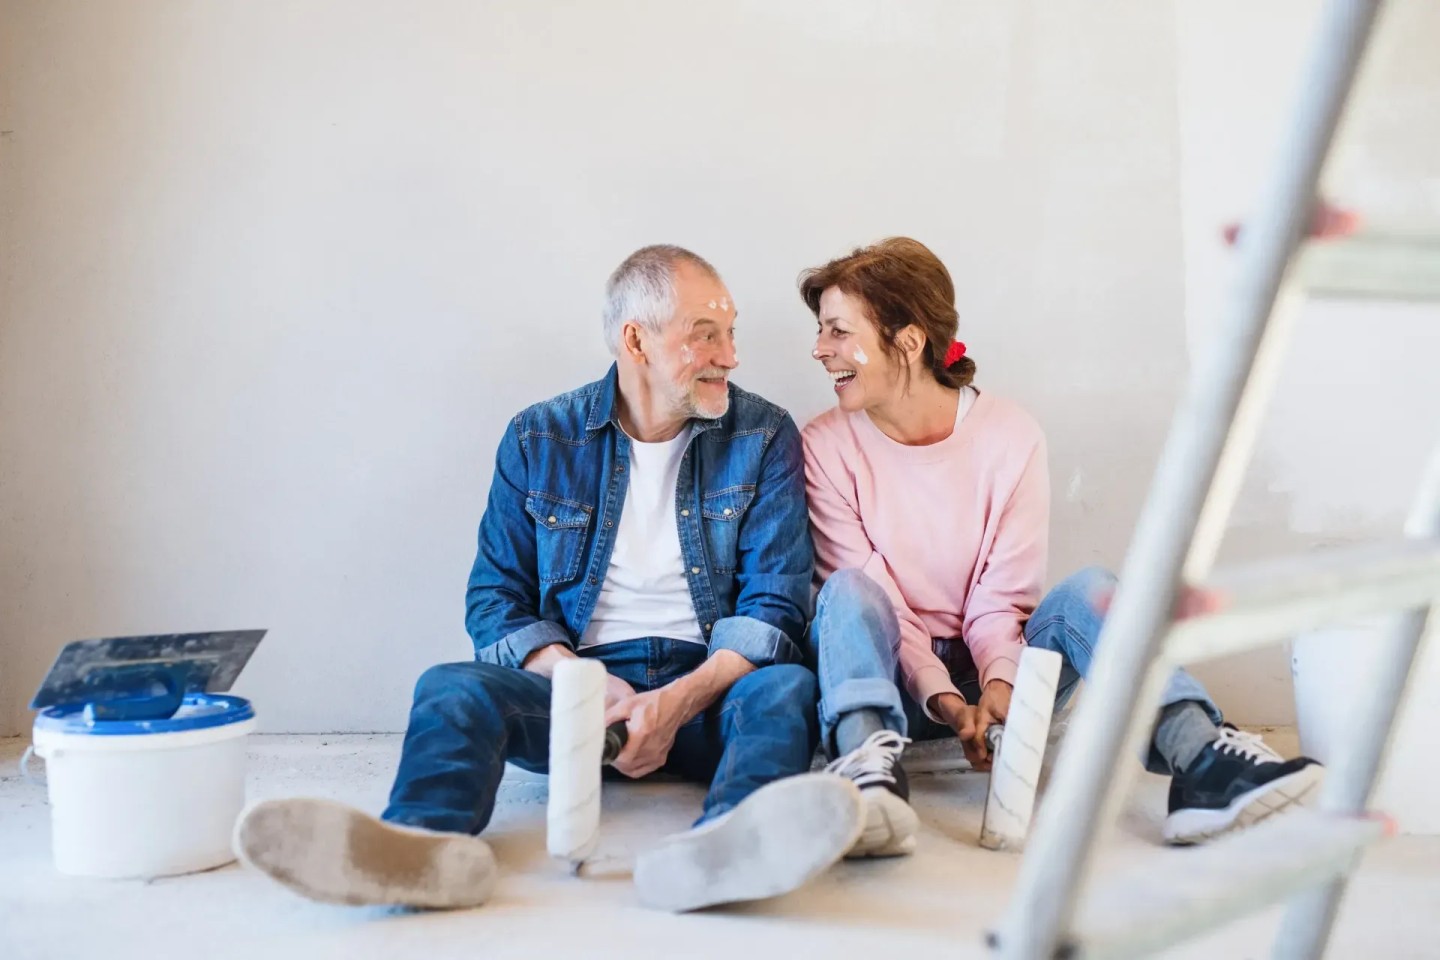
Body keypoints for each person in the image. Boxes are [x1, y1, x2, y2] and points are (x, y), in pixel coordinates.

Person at [233, 245, 864, 912]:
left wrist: (678, 700)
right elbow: (494, 599)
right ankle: (422, 848)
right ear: (636, 340)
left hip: (710, 687)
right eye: (706, 335)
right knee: (450, 687)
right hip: (576, 691)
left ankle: (727, 851)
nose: (730, 355)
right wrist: (582, 687)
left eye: (730, 333)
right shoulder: (540, 438)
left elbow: (775, 602)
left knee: (785, 690)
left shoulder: (762, 434)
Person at [801, 237, 1322, 856]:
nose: (820, 349)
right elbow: (874, 594)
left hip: (1003, 671)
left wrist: (997, 682)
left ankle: (1203, 761)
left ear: (908, 341)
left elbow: (1003, 594)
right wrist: (940, 697)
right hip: (889, 678)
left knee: (1093, 591)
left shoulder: (1009, 435)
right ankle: (867, 777)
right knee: (847, 592)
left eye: (837, 330)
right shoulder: (825, 445)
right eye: (822, 331)